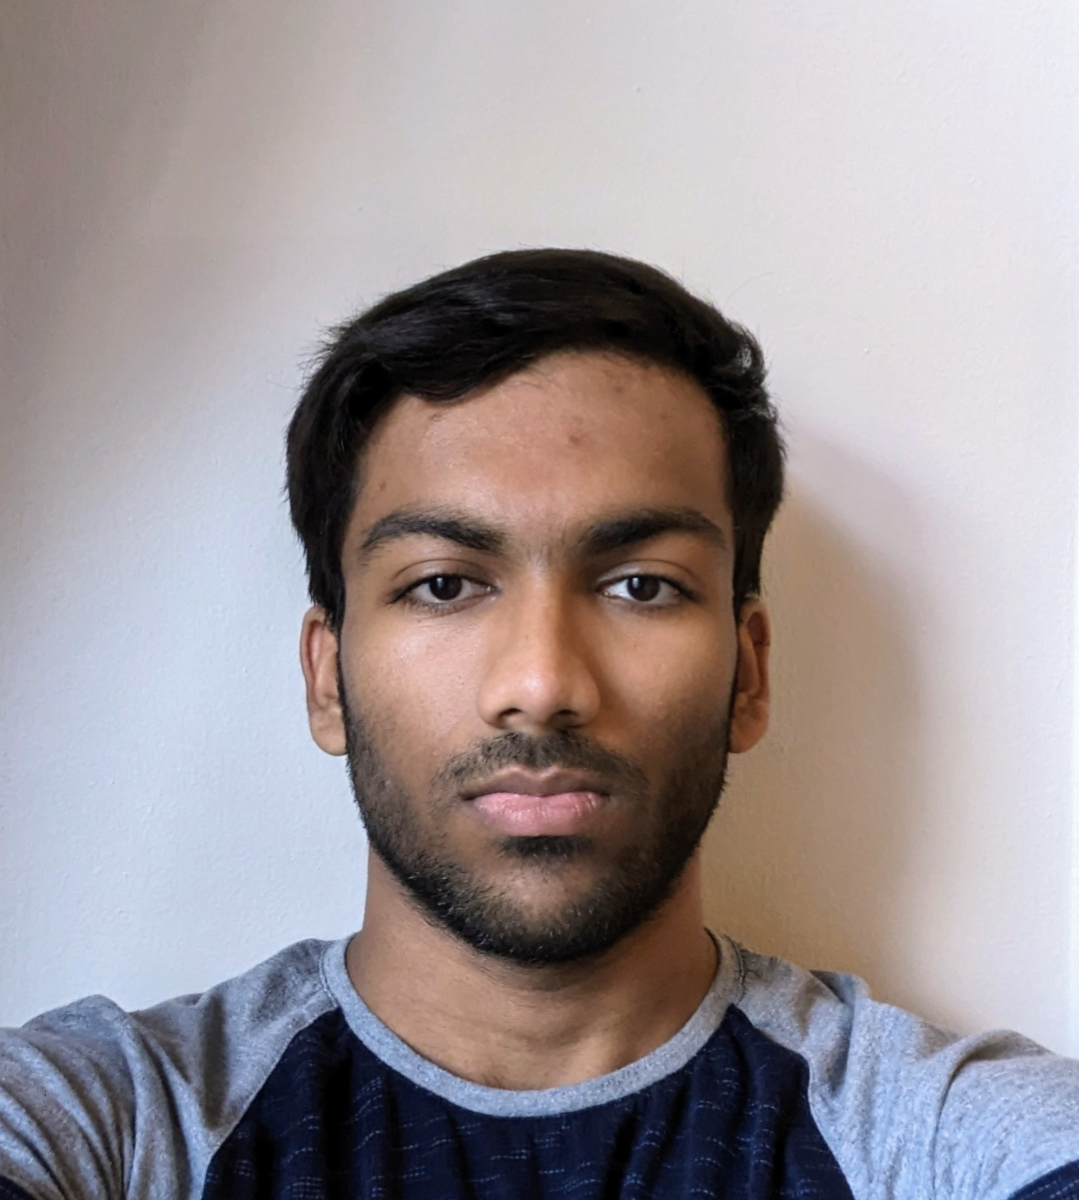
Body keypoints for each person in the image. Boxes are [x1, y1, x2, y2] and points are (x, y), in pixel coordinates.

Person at [1, 249, 1077, 1200]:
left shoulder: (944, 1138)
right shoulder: (117, 1124)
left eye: (641, 585)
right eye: (442, 585)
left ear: (747, 674)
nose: (541, 682)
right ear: (327, 679)